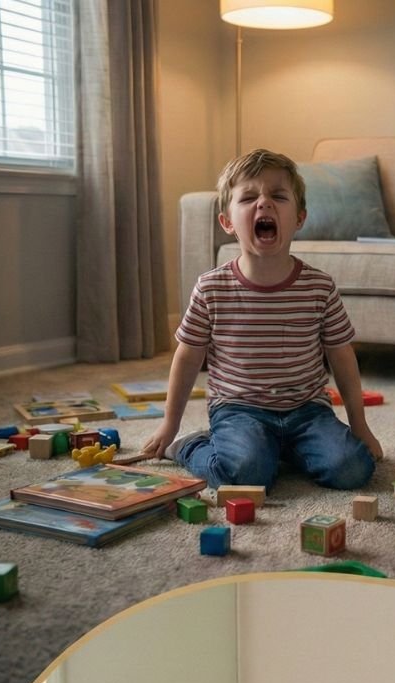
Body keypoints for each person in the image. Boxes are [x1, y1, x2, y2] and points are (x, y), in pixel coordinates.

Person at [143, 148, 382, 490]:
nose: (264, 203)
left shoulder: (319, 286)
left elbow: (342, 356)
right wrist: (170, 426)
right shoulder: (211, 288)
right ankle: (190, 447)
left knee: (353, 469)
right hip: (239, 409)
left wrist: (359, 426)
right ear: (227, 222)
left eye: (278, 196)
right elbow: (187, 357)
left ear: (299, 218)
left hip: (308, 410)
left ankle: (284, 450)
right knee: (246, 475)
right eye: (249, 197)